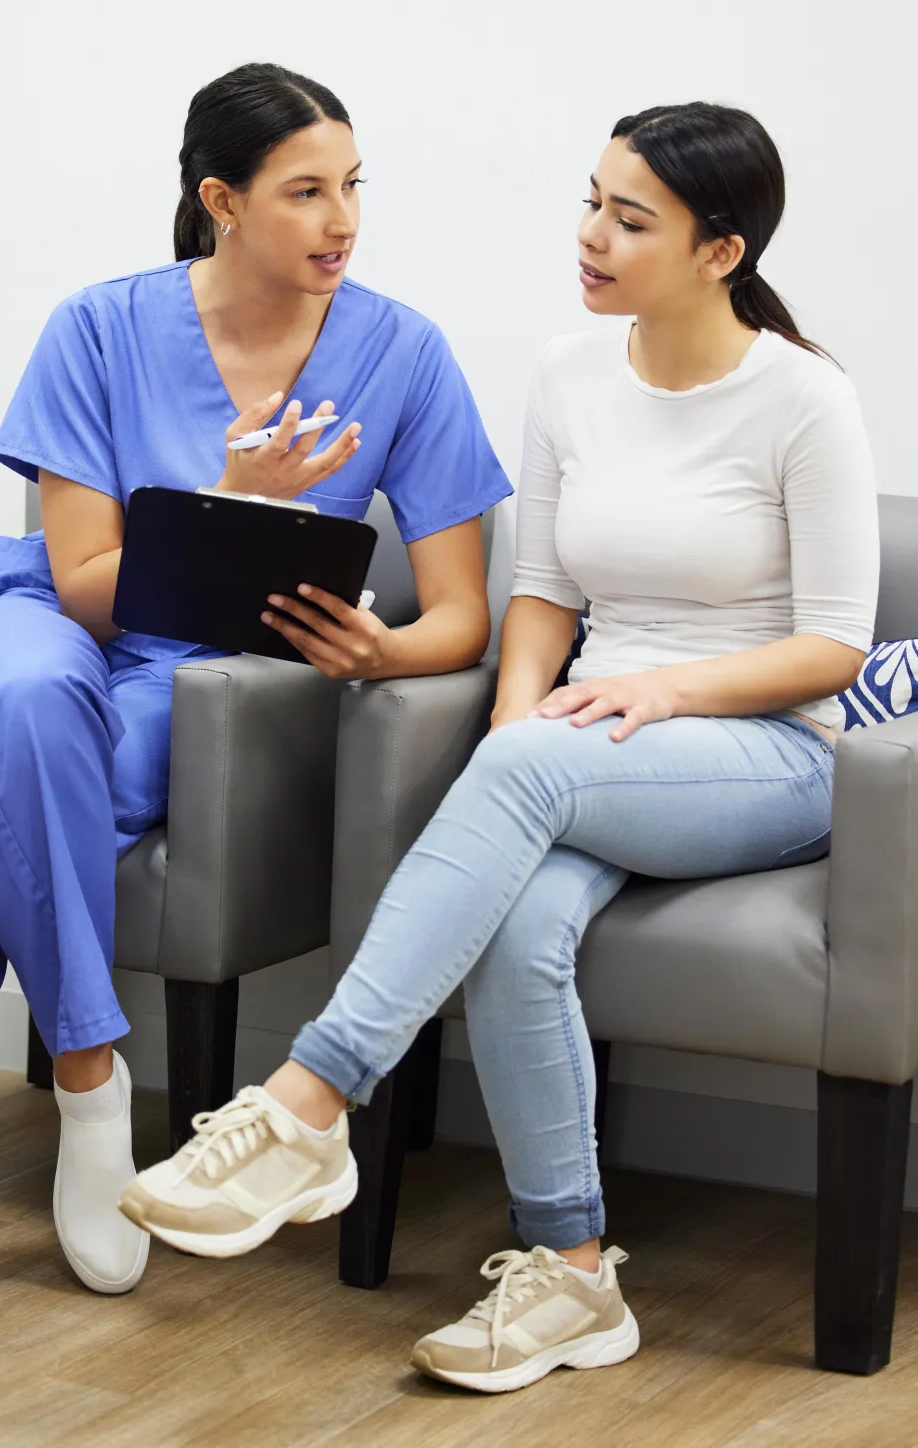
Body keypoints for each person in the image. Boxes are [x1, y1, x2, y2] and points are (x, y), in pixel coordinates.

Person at [0, 62, 511, 1337]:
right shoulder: (97, 326)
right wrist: (235, 499)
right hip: (49, 618)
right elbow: (90, 580)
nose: (343, 219)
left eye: (354, 186)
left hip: (203, 680)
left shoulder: (404, 352)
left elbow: (464, 612)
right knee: (31, 706)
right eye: (307, 191)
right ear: (221, 200)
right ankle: (93, 1075)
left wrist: (381, 654)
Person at [121, 102, 881, 1395]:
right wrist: (518, 709)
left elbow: (836, 648)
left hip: (764, 753)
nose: (591, 236)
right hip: (592, 745)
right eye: (590, 200)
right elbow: (539, 596)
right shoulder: (568, 373)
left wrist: (667, 695)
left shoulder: (804, 399)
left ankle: (310, 1102)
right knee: (523, 923)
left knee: (530, 762)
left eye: (630, 219)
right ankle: (573, 1272)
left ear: (719, 250)